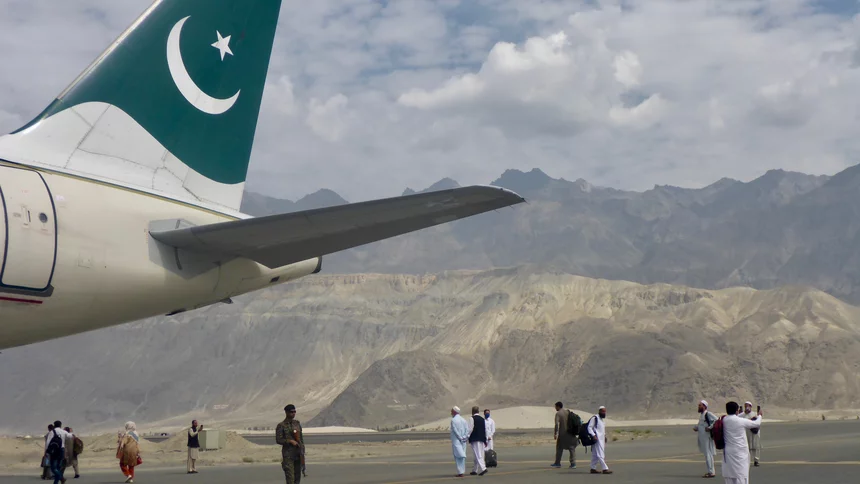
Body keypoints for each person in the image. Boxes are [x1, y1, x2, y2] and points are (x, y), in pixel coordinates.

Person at [721, 401, 762, 484]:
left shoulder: (724, 420)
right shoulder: (740, 421)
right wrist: (760, 415)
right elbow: (756, 424)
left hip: (728, 453)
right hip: (740, 453)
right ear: (737, 410)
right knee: (741, 476)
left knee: (730, 477)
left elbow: (733, 417)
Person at [275, 404, 304, 484]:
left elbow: (301, 439)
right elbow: (278, 440)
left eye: (295, 412)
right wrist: (289, 441)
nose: (293, 413)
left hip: (298, 455)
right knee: (290, 479)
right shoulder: (281, 426)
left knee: (297, 479)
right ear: (286, 412)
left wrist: (302, 452)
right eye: (291, 412)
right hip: (288, 456)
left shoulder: (297, 423)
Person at [694, 400, 717, 478]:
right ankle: (710, 471)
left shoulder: (708, 414)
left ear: (704, 406)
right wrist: (696, 427)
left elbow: (717, 420)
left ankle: (711, 472)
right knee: (707, 454)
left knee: (708, 454)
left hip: (707, 437)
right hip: (703, 438)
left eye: (700, 405)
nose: (699, 407)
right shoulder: (702, 415)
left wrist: (710, 427)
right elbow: (701, 424)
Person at [587, 406, 612, 475]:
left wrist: (605, 436)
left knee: (595, 455)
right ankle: (605, 469)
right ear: (600, 411)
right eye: (603, 411)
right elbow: (589, 427)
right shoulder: (595, 418)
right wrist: (593, 435)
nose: (604, 413)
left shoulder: (601, 420)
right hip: (596, 439)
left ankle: (593, 468)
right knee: (600, 454)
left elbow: (601, 430)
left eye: (605, 411)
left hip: (601, 439)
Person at [552, 401, 577, 469]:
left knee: (559, 448)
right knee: (571, 448)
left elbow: (556, 424)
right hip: (571, 433)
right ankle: (573, 463)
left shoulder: (558, 413)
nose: (555, 408)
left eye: (555, 407)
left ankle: (557, 463)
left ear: (558, 406)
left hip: (563, 434)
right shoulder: (568, 412)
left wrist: (555, 433)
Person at [467, 406, 488, 476]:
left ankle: (483, 468)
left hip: (475, 439)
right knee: (477, 454)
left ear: (472, 411)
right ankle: (475, 470)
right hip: (482, 439)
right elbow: (485, 430)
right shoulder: (482, 419)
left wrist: (467, 436)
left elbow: (470, 429)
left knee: (478, 454)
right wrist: (486, 439)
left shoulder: (471, 418)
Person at [450, 406, 470, 477]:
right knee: (461, 455)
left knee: (458, 456)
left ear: (454, 411)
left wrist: (460, 438)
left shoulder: (453, 420)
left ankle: (460, 472)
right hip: (463, 440)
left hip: (457, 440)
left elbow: (455, 431)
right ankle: (461, 471)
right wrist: (464, 437)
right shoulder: (463, 420)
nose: (451, 412)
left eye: (452, 411)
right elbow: (467, 430)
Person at [739, 402, 761, 466]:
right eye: (745, 406)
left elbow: (758, 422)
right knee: (747, 446)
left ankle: (756, 460)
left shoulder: (754, 414)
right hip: (746, 433)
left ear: (750, 406)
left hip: (754, 432)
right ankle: (746, 460)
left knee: (756, 446)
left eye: (748, 406)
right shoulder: (742, 415)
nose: (747, 407)